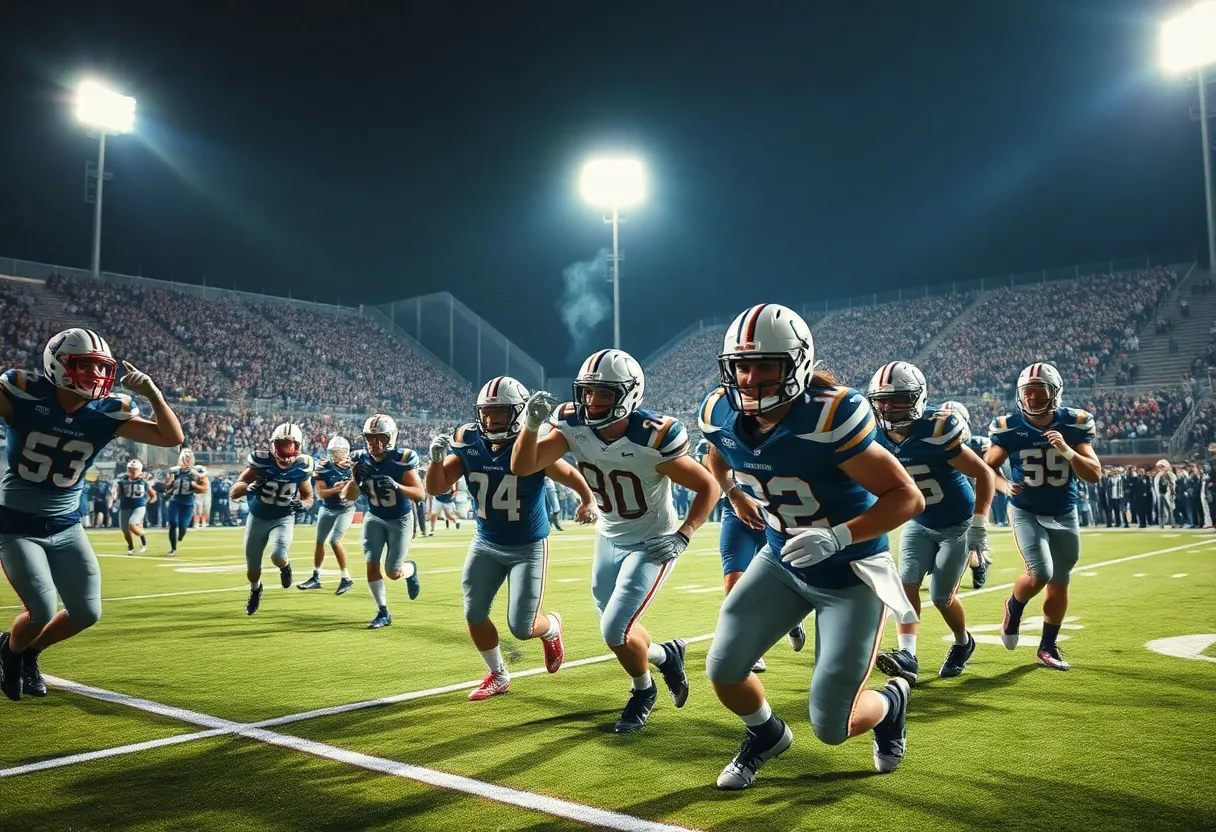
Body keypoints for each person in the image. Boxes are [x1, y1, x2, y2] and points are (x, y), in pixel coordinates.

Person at [699, 304, 923, 789]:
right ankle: (766, 735)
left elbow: (908, 496)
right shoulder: (720, 411)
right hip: (781, 562)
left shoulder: (830, 416)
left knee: (832, 726)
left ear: (796, 364)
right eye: (742, 365)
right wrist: (735, 494)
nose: (751, 377)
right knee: (724, 669)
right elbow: (717, 456)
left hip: (852, 575)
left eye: (765, 365)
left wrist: (840, 535)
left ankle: (892, 703)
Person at [511, 349, 719, 734]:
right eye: (587, 392)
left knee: (614, 630)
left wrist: (684, 535)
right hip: (608, 536)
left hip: (652, 542)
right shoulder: (572, 425)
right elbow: (524, 465)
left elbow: (708, 485)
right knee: (619, 626)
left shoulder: (653, 435)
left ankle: (643, 690)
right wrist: (530, 426)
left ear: (628, 394)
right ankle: (666, 655)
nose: (592, 402)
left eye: (604, 393)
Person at [0, 328, 185, 700]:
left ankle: (28, 653)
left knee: (86, 613)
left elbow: (170, 438)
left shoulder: (107, 412)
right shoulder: (22, 392)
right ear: (57, 363)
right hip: (17, 525)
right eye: (84, 365)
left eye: (100, 367)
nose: (94, 375)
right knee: (41, 609)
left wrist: (154, 395)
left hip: (68, 525)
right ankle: (9, 655)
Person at [426, 376, 596, 700]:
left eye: (499, 412)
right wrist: (435, 461)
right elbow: (435, 487)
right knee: (474, 613)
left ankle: (553, 627)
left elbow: (570, 474)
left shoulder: (530, 442)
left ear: (517, 413)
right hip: (485, 543)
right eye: (486, 412)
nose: (490, 420)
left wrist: (586, 499)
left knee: (522, 626)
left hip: (527, 546)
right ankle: (498, 673)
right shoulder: (468, 440)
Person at [866, 363, 995, 684]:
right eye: (881, 400)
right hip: (918, 522)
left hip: (957, 525)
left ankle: (963, 642)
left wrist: (979, 522)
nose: (886, 407)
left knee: (940, 596)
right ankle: (908, 654)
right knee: (906, 583)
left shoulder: (935, 429)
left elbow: (984, 473)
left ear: (917, 398)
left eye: (896, 399)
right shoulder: (874, 432)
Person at [985, 362, 1102, 671]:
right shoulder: (1007, 426)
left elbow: (1094, 475)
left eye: (1040, 392)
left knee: (1060, 581)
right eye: (1028, 393)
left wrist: (1067, 450)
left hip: (1065, 511)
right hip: (1026, 509)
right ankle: (1015, 604)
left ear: (1055, 393)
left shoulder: (1075, 423)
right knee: (1041, 573)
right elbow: (987, 467)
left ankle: (1048, 646)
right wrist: (1003, 484)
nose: (1033, 399)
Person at [342, 415, 425, 629]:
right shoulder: (361, 460)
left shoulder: (402, 459)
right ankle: (383, 611)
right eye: (370, 438)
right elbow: (348, 496)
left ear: (391, 438)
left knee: (392, 572)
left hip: (400, 519)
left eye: (380, 438)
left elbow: (420, 493)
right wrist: (354, 478)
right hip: (375, 516)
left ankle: (410, 570)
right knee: (371, 562)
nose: (374, 444)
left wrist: (397, 486)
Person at [229, 423, 315, 615]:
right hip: (258, 517)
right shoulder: (261, 463)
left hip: (283, 518)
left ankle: (285, 567)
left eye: (290, 445)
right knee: (252, 568)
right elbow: (234, 492)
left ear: (298, 446)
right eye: (281, 444)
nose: (285, 450)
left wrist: (304, 505)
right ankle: (256, 589)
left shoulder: (302, 467)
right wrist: (248, 488)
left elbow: (308, 496)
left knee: (277, 555)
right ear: (273, 445)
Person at [298, 435, 356, 595]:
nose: (338, 454)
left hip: (346, 508)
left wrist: (349, 487)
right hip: (328, 507)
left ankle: (346, 578)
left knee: (334, 540)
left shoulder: (354, 467)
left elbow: (358, 491)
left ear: (347, 451)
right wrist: (337, 489)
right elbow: (321, 494)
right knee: (319, 541)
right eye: (335, 452)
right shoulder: (324, 466)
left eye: (341, 451)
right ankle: (316, 576)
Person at [164, 448, 207, 556]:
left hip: (188, 503)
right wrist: (170, 483)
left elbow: (204, 489)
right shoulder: (174, 471)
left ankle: (181, 535)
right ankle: (173, 548)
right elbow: (167, 486)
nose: (187, 462)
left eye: (189, 460)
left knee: (183, 527)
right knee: (173, 523)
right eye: (185, 460)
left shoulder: (196, 473)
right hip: (175, 500)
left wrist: (194, 485)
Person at [117, 458, 154, 555]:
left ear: (140, 471)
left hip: (139, 506)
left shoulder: (144, 482)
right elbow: (118, 495)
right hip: (125, 506)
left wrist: (145, 503)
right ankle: (130, 547)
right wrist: (114, 499)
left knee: (132, 524)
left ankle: (143, 540)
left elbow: (153, 495)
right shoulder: (122, 482)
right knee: (125, 530)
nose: (133, 472)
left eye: (135, 470)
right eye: (131, 470)